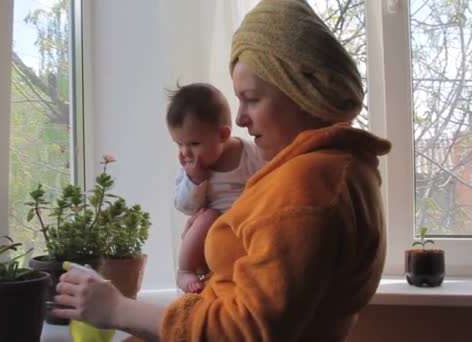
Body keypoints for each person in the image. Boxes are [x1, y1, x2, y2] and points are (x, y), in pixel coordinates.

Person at [53, 0, 392, 341]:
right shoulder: (344, 169)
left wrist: (117, 309)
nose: (241, 118)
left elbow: (242, 329)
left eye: (252, 98)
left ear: (301, 92)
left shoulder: (308, 185)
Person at [167, 83, 265, 293]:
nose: (185, 152)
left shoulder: (250, 154)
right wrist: (195, 181)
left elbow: (268, 181)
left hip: (244, 223)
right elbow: (185, 207)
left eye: (193, 144)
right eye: (179, 144)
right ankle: (185, 270)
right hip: (211, 229)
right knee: (206, 216)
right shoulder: (190, 171)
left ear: (222, 135)